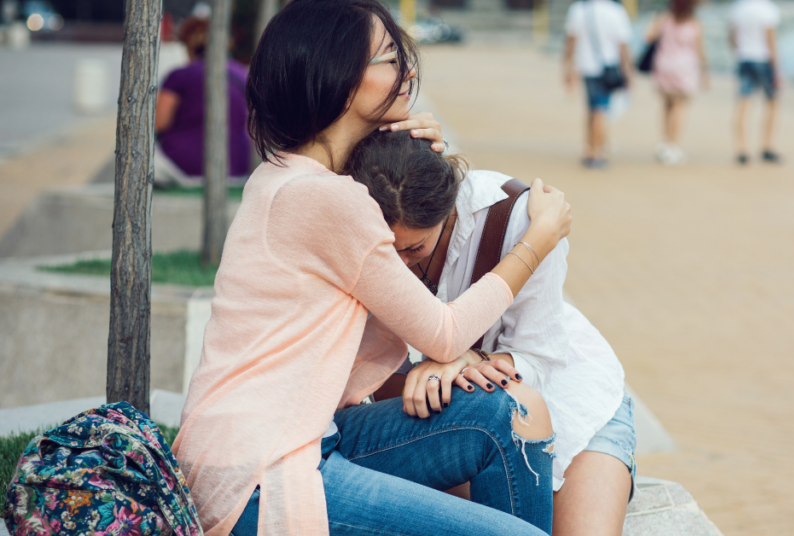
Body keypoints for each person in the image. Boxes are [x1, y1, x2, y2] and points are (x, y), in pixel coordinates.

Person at [169, 1, 574, 535]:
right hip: (260, 470)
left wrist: (409, 150)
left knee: (502, 417)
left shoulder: (291, 174)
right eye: (386, 58)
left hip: (304, 437)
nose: (406, 69)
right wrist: (537, 240)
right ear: (334, 77)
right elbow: (445, 333)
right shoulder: (328, 199)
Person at [347, 131, 635, 536]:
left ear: (448, 209)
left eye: (414, 249)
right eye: (387, 250)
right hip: (468, 414)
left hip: (572, 397)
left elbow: (539, 356)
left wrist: (470, 360)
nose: (398, 263)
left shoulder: (521, 218)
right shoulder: (349, 225)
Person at [154, 16, 253, 187]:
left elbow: (159, 122)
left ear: (189, 45)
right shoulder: (243, 74)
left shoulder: (179, 76)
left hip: (185, 167)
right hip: (236, 168)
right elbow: (250, 126)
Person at [563, 0, 633, 170]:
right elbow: (623, 45)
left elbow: (571, 41)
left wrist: (568, 66)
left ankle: (590, 146)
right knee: (601, 110)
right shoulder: (616, 11)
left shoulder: (578, 9)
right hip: (608, 66)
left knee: (592, 108)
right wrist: (628, 70)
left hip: (586, 66)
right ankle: (595, 153)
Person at [646, 0, 708, 166]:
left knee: (667, 105)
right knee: (679, 107)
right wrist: (704, 72)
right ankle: (672, 145)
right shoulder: (693, 23)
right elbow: (700, 50)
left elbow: (648, 36)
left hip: (663, 64)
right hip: (684, 68)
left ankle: (664, 142)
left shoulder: (665, 18)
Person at [729, 0, 782, 164]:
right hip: (763, 59)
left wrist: (741, 50)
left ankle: (742, 149)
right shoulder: (768, 9)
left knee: (744, 103)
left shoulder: (738, 8)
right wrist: (776, 69)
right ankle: (766, 146)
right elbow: (770, 40)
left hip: (744, 58)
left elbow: (732, 37)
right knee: (772, 102)